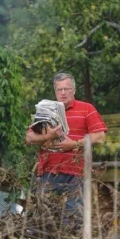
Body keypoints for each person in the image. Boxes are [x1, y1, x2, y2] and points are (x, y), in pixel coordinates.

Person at [25, 73, 107, 217]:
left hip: (77, 174)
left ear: (74, 90)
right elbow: (29, 138)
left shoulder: (86, 109)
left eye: (67, 89)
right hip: (48, 173)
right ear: (55, 91)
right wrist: (48, 136)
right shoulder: (46, 111)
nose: (63, 93)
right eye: (59, 89)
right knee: (44, 219)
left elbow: (100, 137)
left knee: (74, 218)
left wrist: (75, 144)